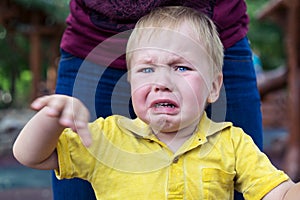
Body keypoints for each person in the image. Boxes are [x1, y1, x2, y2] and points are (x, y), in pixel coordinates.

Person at [13, 6, 298, 199]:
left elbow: (279, 193)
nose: (162, 81)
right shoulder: (106, 138)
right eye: (147, 69)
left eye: (181, 68)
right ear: (130, 84)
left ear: (214, 86)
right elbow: (30, 155)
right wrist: (52, 118)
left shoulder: (232, 143)